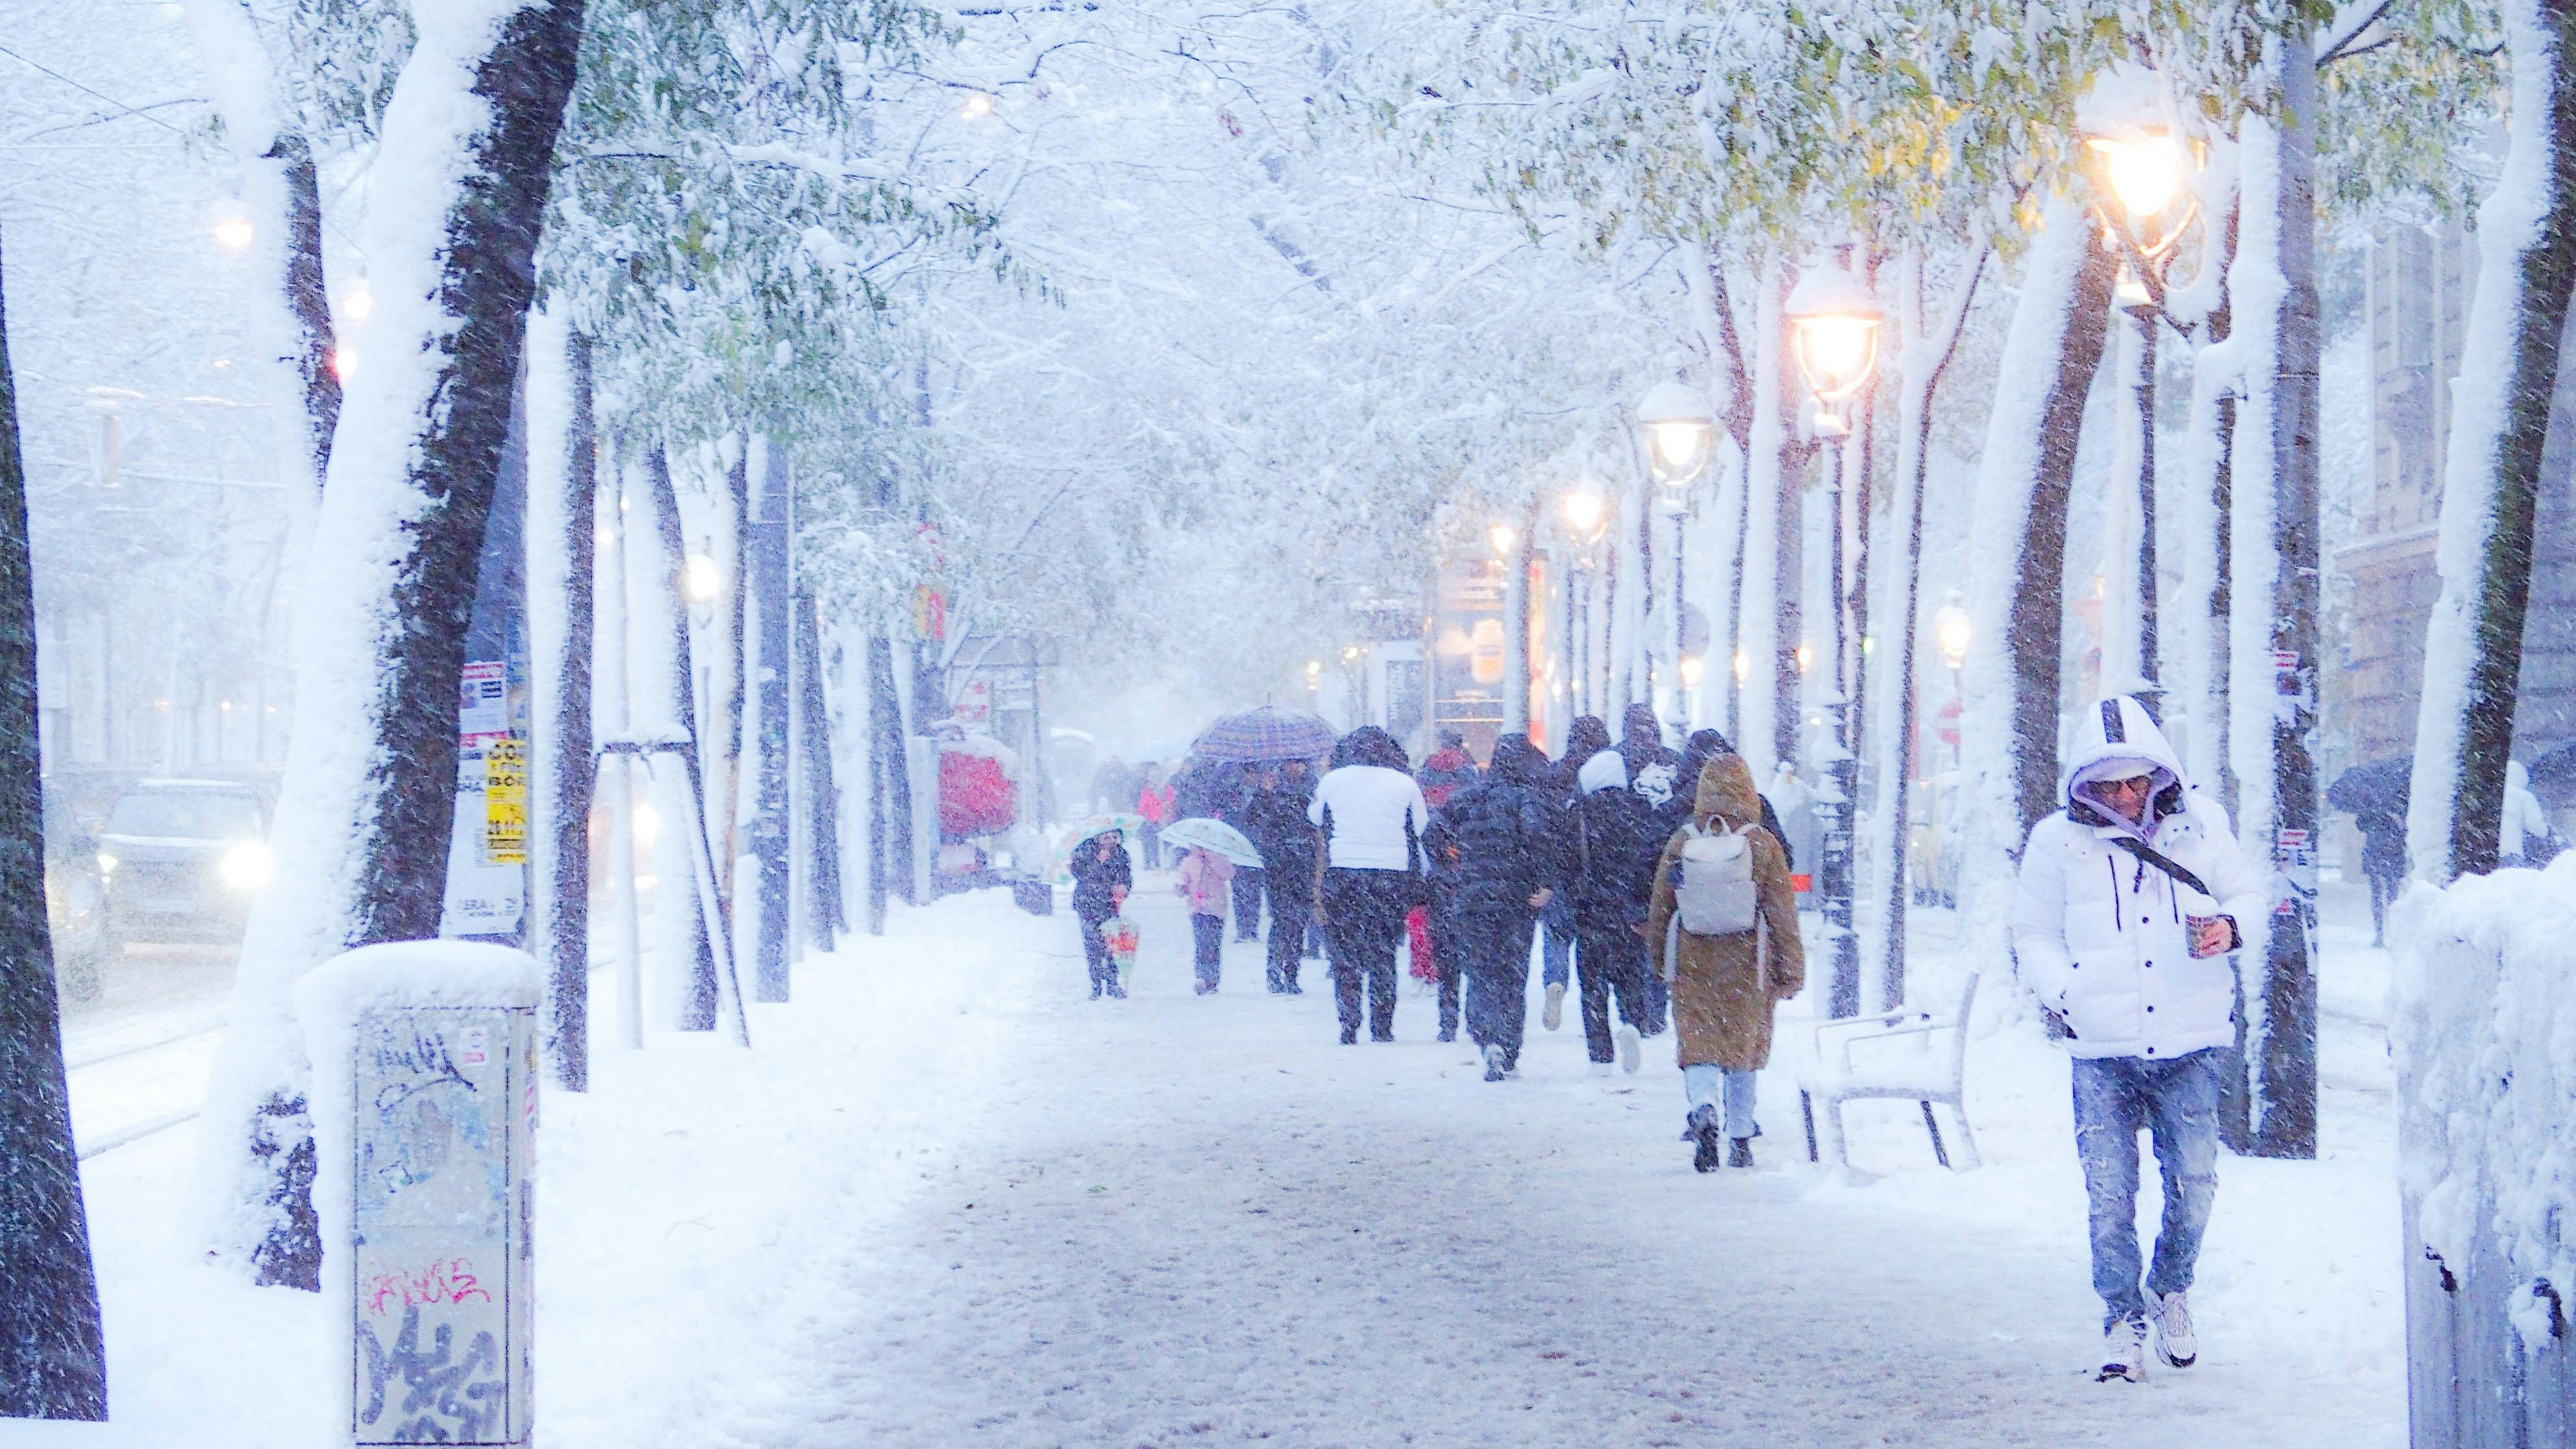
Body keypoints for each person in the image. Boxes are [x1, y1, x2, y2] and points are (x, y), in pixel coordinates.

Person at [2012, 695, 2264, 1384]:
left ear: (2158, 774)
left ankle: (2170, 1287)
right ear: (2081, 783)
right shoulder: (2053, 842)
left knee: (2194, 1184)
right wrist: (2063, 992)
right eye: (2106, 783)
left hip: (2190, 1040)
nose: (2123, 797)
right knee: (2108, 1194)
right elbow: (2032, 931)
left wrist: (2228, 929)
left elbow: (2247, 895)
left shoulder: (2201, 826)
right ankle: (2119, 1318)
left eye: (2134, 781)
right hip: (2103, 1049)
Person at [1648, 746, 1803, 1172]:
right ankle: (1740, 1136)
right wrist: (1790, 969)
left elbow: (1662, 904)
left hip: (1693, 957)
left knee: (1698, 1043)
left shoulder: (1682, 841)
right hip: (1748, 960)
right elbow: (1782, 912)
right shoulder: (1762, 843)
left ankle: (1702, 1104)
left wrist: (1660, 960)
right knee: (1742, 1048)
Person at [1427, 734, 1563, 1079]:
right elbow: (1538, 838)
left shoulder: (1467, 798)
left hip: (1472, 897)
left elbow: (1432, 835)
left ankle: (1487, 1039)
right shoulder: (1528, 798)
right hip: (1516, 900)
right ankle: (1508, 1044)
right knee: (1512, 974)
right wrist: (1544, 881)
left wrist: (1453, 864)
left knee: (1481, 972)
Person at [1309, 726, 1431, 1044]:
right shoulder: (1405, 784)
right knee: (1383, 952)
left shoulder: (1332, 781)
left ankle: (1348, 1022)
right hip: (1390, 876)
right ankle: (1382, 1024)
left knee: (1344, 953)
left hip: (1344, 871)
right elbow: (1422, 831)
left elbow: (1315, 821)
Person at [1561, 749, 1668, 1075]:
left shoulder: (1579, 814)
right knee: (1630, 976)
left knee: (1592, 985)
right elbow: (1653, 861)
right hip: (1630, 911)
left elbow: (1567, 864)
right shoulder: (1640, 810)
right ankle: (1633, 1023)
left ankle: (1600, 1055)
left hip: (1591, 910)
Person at [1540, 715, 1613, 1032]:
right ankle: (1603, 1000)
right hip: (1595, 870)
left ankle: (1555, 981)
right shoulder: (1605, 774)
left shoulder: (1555, 773)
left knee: (1556, 934)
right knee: (1592, 936)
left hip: (1557, 867)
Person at [1665, 730, 1794, 873]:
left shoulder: (1673, 809)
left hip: (1692, 893)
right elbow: (1784, 860)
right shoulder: (1758, 804)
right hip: (1747, 893)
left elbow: (1653, 869)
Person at [1245, 758, 1321, 993]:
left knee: (1298, 923)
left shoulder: (1313, 790)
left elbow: (1318, 823)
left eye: (1300, 763)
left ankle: (1291, 975)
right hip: (1279, 867)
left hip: (1304, 865)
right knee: (1282, 922)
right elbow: (1253, 820)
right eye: (1292, 763)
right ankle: (1275, 972)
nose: (1297, 767)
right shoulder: (1271, 790)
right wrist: (1263, 794)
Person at [1068, 828, 1133, 1000]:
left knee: (1112, 943)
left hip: (1110, 905)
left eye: (1115, 837)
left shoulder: (1121, 854)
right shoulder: (1085, 850)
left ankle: (1113, 983)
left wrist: (1124, 889)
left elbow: (1126, 876)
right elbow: (1081, 875)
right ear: (1098, 837)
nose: (1111, 841)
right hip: (1087, 904)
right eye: (1107, 837)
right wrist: (1098, 863)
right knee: (1092, 944)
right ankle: (1096, 984)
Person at [1174, 843, 1234, 994]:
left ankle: (1213, 979)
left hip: (1216, 909)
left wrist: (1213, 859)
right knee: (1201, 942)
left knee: (1214, 944)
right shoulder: (1189, 861)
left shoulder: (1219, 859)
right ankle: (1201, 976)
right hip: (1197, 909)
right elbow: (1183, 878)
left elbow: (1229, 874)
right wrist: (1181, 887)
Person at [1222, 762, 1268, 943]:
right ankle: (1243, 928)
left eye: (1254, 773)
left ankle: (1253, 928)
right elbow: (1227, 818)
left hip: (1257, 849)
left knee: (1255, 892)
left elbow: (1266, 818)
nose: (1251, 776)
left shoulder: (1264, 794)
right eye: (1248, 773)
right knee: (1239, 890)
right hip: (1237, 848)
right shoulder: (1232, 793)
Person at [2353, 806, 2407, 947]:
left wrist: (2395, 817)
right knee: (2378, 898)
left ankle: (2393, 934)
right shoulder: (2372, 808)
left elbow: (2406, 831)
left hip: (2390, 857)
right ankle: (2380, 934)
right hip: (2377, 857)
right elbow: (2360, 824)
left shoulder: (2398, 807)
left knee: (2392, 899)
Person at [1618, 704, 1685, 810]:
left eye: (1651, 724)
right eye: (1642, 724)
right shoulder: (1616, 761)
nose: (1648, 730)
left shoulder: (1674, 760)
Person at [2503, 760, 2559, 868]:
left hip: (2489, 853)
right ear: (2522, 778)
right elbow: (2536, 827)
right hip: (2511, 852)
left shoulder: (2493, 795)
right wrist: (2549, 833)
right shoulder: (2524, 797)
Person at [1417, 728, 1481, 808]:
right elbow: (1475, 791)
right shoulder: (1466, 764)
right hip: (1458, 811)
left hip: (1432, 808)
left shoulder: (1431, 762)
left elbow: (1420, 786)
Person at [1136, 763, 1176, 868]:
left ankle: (1161, 861)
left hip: (1163, 819)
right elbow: (1142, 804)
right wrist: (1141, 815)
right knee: (1150, 841)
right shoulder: (1147, 790)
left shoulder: (1167, 788)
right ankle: (1150, 861)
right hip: (1150, 819)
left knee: (1164, 841)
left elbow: (1172, 801)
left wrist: (1166, 807)